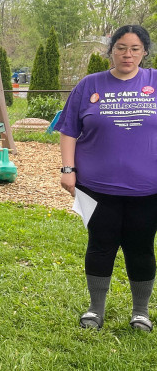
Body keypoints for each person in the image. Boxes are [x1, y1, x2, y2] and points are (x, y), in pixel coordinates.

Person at [55, 24, 157, 332]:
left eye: (135, 48)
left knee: (141, 248)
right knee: (100, 245)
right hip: (96, 186)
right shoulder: (89, 85)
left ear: (145, 52)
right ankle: (95, 310)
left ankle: (140, 312)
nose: (128, 54)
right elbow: (69, 129)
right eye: (121, 48)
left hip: (148, 188)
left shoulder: (155, 81)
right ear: (110, 50)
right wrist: (67, 169)